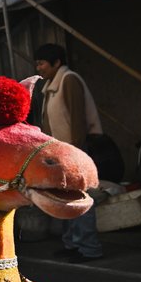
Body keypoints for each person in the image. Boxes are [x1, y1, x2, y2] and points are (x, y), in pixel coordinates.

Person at [34, 43, 104, 262]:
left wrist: (75, 152)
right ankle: (73, 244)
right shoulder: (49, 87)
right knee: (66, 199)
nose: (39, 68)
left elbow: (77, 120)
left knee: (80, 198)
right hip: (60, 154)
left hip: (74, 152)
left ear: (57, 63)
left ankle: (89, 248)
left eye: (42, 63)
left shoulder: (69, 80)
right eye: (37, 63)